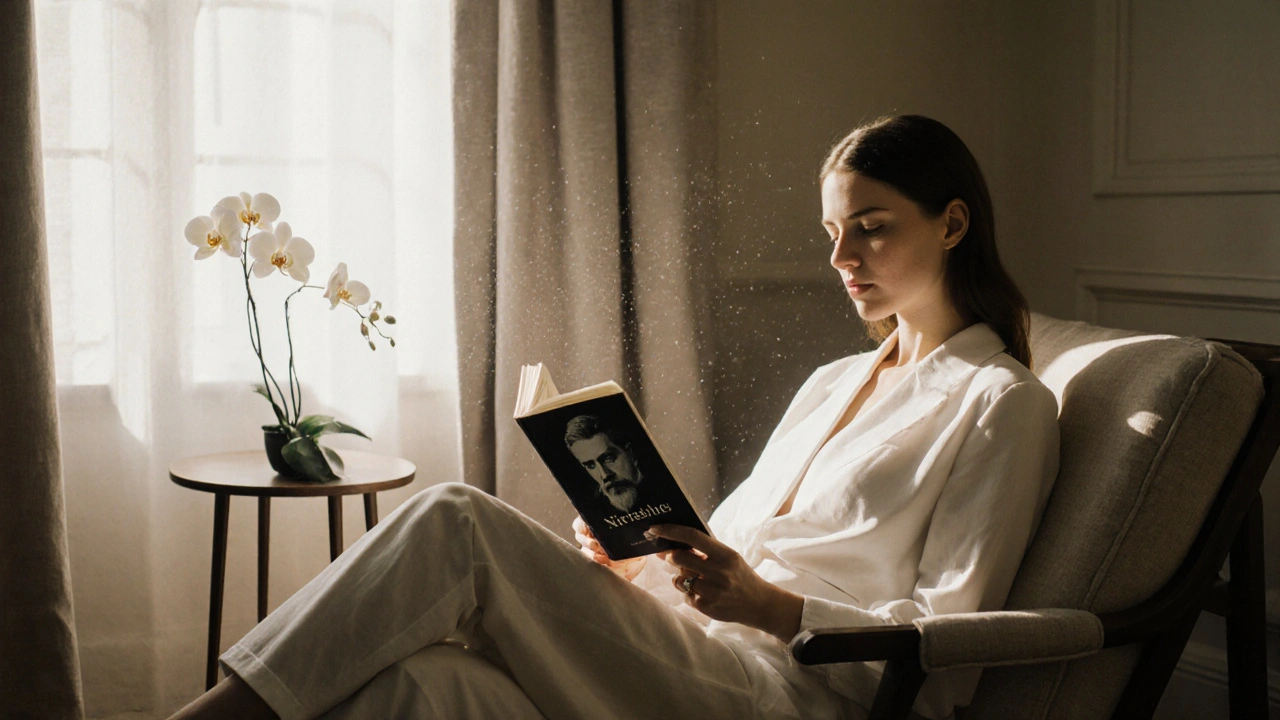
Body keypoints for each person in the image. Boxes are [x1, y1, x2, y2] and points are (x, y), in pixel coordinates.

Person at [168, 114, 1059, 720]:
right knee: (419, 685)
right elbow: (737, 548)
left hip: (781, 691)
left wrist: (772, 607)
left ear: (951, 224)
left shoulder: (1001, 405)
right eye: (832, 232)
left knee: (456, 523)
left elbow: (947, 657)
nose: (841, 256)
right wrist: (638, 563)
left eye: (871, 226)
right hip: (686, 650)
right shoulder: (835, 381)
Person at [565, 414, 646, 513]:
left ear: (629, 452)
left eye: (608, 458)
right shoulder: (593, 511)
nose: (605, 475)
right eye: (591, 465)